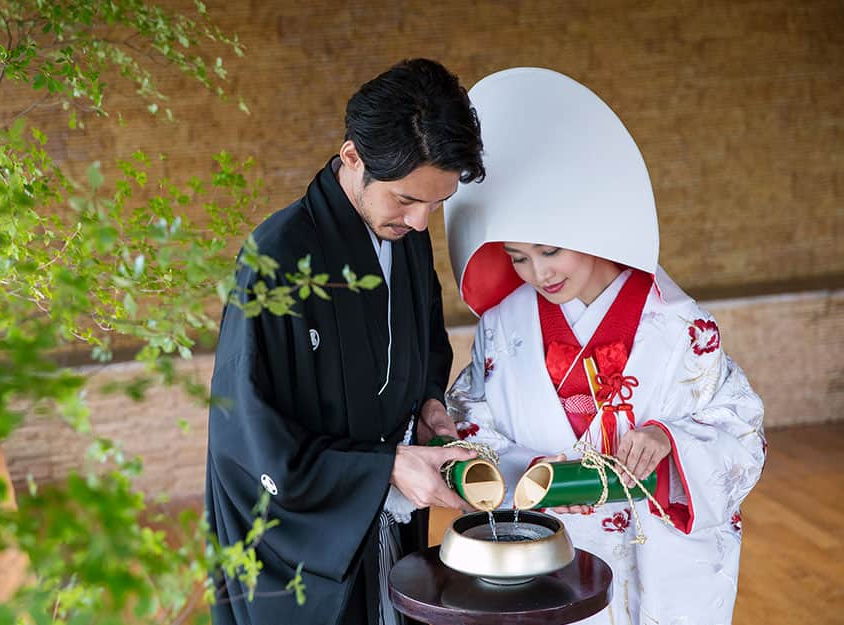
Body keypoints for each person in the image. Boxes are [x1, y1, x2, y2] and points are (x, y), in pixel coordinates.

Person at [444, 68, 766, 625]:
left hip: (660, 554)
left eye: (549, 251)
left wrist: (666, 440)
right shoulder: (504, 323)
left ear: (592, 230)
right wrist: (533, 473)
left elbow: (739, 427)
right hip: (554, 540)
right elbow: (470, 419)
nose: (538, 273)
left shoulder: (679, 323)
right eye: (518, 257)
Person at [205, 58, 486, 625]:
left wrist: (428, 402)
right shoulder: (280, 257)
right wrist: (382, 468)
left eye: (437, 203)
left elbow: (426, 341)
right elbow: (251, 434)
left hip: (386, 515)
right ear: (352, 156)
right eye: (407, 199)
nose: (419, 221)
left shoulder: (403, 236)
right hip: (299, 541)